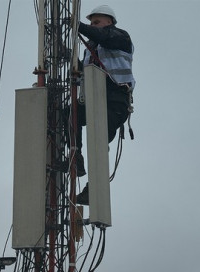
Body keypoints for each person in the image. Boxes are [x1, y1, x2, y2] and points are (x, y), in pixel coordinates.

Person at [73, 5, 135, 204]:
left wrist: (78, 25)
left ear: (109, 21)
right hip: (94, 99)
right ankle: (76, 157)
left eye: (97, 22)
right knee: (69, 114)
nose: (93, 26)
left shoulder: (120, 37)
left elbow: (105, 37)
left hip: (115, 101)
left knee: (98, 137)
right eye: (92, 23)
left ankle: (94, 188)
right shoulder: (91, 50)